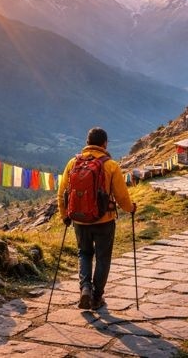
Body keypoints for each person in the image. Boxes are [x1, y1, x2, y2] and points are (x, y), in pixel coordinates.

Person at [57, 127, 136, 310]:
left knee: (84, 254)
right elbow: (122, 197)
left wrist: (65, 216)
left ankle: (85, 288)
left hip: (79, 219)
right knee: (103, 258)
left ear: (87, 143)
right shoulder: (111, 165)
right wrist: (130, 208)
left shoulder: (72, 163)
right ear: (105, 144)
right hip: (104, 221)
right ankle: (97, 297)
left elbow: (62, 193)